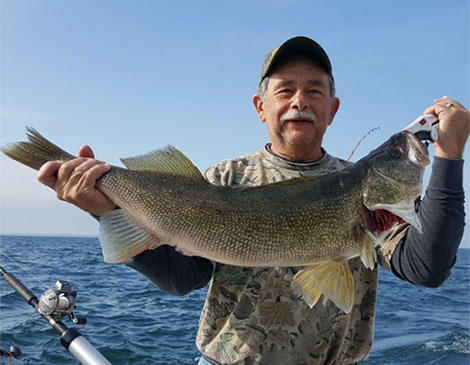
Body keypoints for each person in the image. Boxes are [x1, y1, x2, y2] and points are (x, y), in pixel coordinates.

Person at [37, 36, 469, 364]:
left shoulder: (370, 202)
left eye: (315, 90)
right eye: (285, 90)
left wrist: (449, 157)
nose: (300, 100)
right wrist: (107, 209)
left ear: (332, 109)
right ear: (261, 106)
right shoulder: (225, 179)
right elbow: (181, 278)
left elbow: (426, 268)